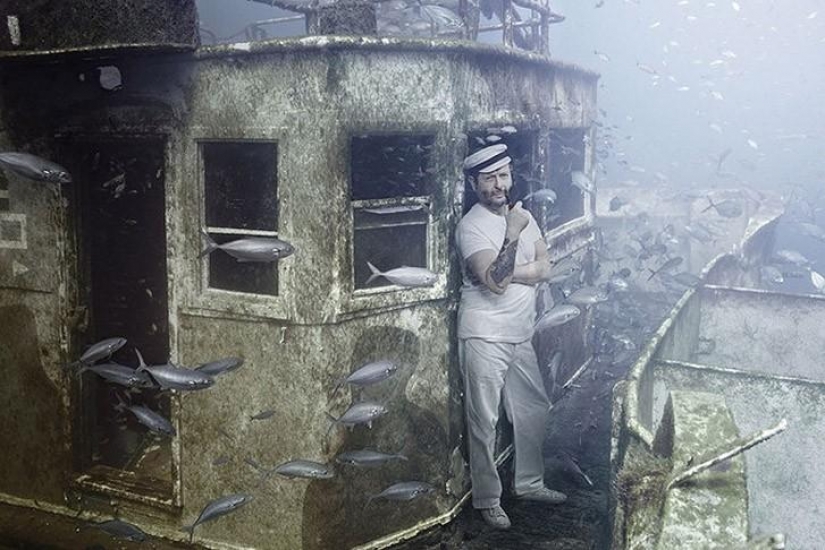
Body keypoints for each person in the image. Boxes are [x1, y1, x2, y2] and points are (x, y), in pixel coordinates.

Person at [456, 143, 567, 530]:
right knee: (483, 421)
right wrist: (512, 237)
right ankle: (488, 500)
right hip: (484, 334)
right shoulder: (471, 226)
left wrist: (504, 271)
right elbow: (498, 285)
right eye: (489, 179)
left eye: (503, 176)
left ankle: (530, 484)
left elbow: (546, 269)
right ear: (475, 184)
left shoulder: (524, 215)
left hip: (519, 333)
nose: (498, 185)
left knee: (534, 407)